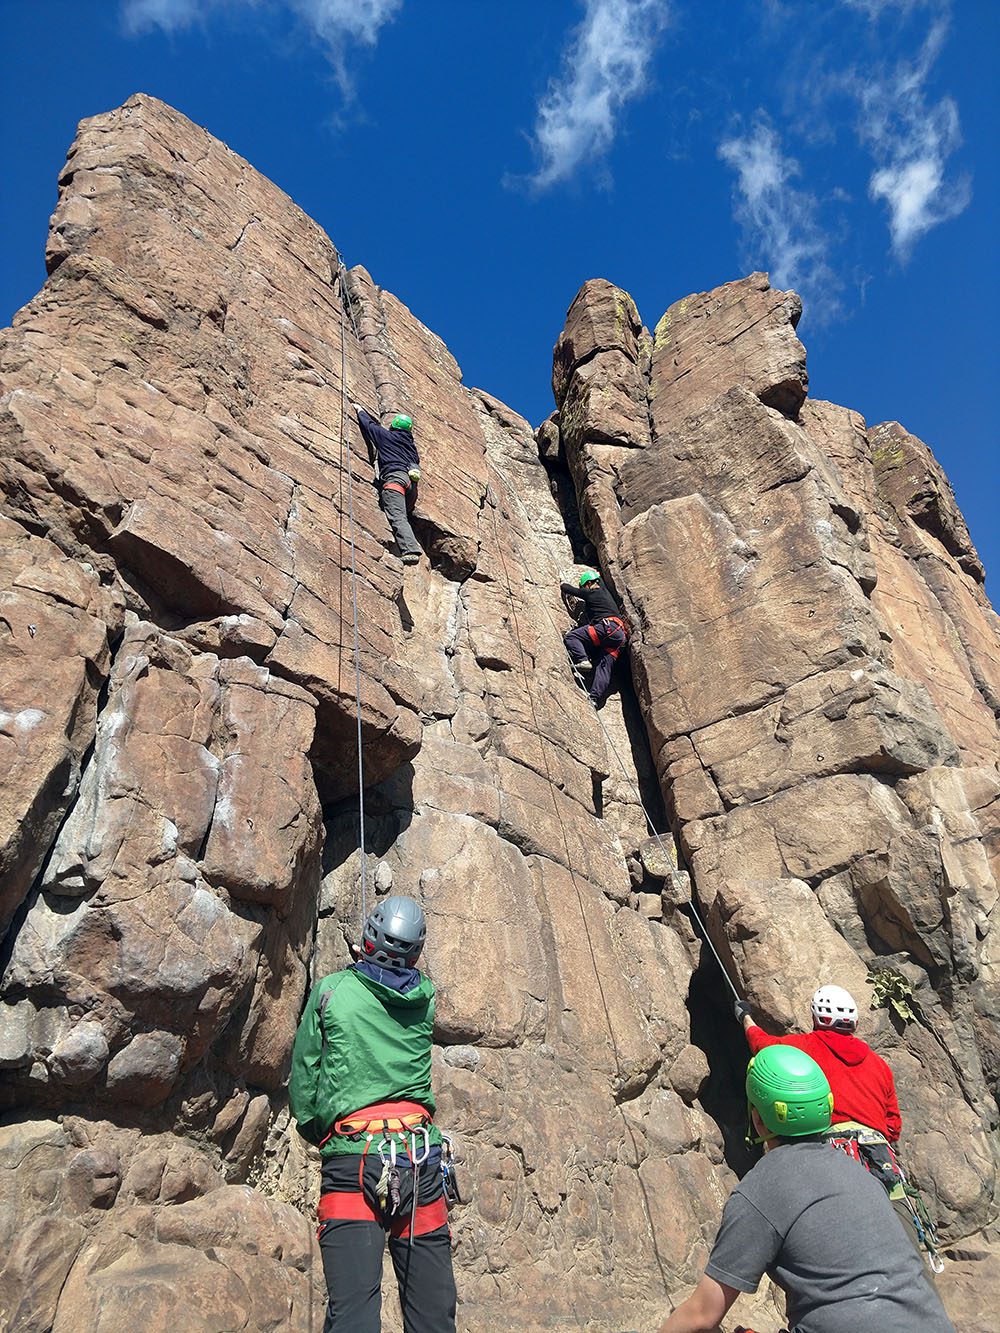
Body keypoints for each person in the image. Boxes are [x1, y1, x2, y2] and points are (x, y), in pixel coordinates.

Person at [658, 1046, 955, 1333]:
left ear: (758, 1117)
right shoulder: (858, 1173)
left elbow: (701, 1315)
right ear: (825, 1107)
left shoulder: (763, 1188)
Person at [289, 895, 457, 1333]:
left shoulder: (331, 991)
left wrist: (320, 1134)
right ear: (415, 952)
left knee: (354, 1319)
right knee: (433, 1318)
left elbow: (304, 1080)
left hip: (354, 1158)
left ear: (367, 938)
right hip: (419, 1162)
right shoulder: (425, 998)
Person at [353, 404, 423, 565]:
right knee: (402, 513)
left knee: (398, 516)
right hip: (410, 486)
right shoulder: (411, 447)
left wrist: (360, 410)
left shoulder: (387, 437)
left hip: (394, 481)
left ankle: (410, 549)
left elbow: (368, 426)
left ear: (393, 426)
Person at [560, 569, 629, 706]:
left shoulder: (590, 592)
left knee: (572, 637)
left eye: (584, 586)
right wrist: (597, 573)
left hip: (606, 628)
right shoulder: (605, 592)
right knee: (604, 667)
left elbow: (568, 589)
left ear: (588, 584)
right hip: (619, 637)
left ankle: (583, 659)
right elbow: (599, 579)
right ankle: (595, 698)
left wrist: (562, 584)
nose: (584, 589)